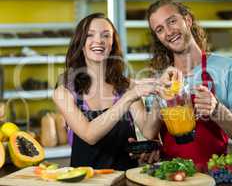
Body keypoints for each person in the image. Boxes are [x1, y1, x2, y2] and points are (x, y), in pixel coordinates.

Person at [146, 0, 232, 170]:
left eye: (172, 21)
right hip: (172, 177)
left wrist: (217, 109)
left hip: (216, 175)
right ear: (158, 38)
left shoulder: (229, 68)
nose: (168, 32)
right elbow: (150, 134)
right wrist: (148, 149)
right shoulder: (162, 80)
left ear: (187, 20)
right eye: (159, 29)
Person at [52, 12, 160, 170]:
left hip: (126, 179)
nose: (99, 41)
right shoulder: (64, 92)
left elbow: (149, 131)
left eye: (106, 35)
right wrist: (129, 97)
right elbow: (90, 135)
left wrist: (161, 96)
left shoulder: (126, 86)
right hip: (87, 182)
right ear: (80, 43)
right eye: (90, 35)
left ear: (112, 44)